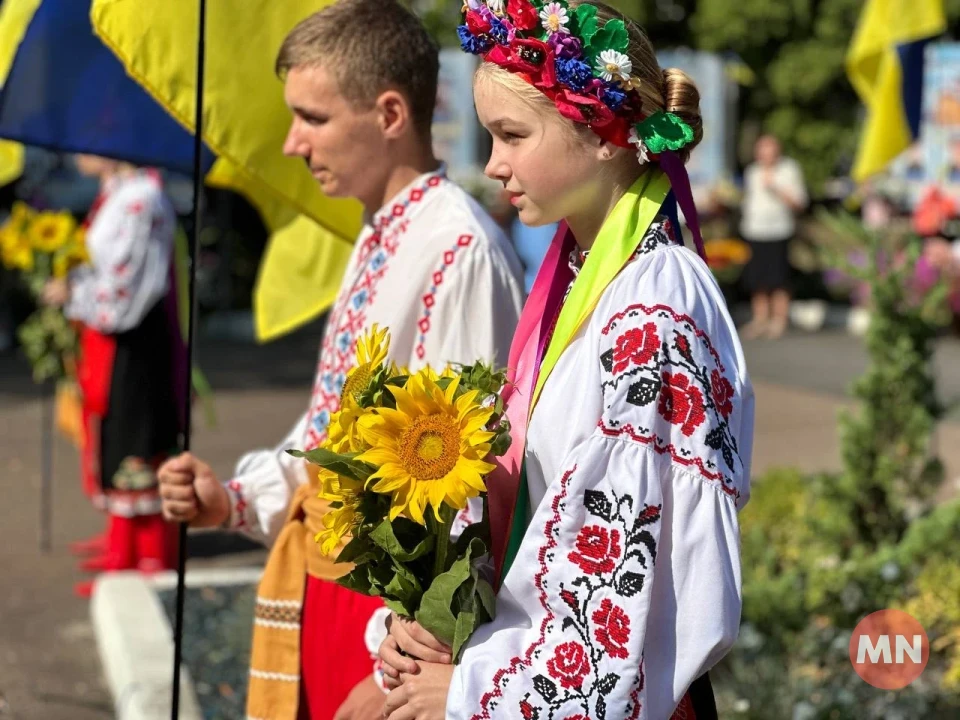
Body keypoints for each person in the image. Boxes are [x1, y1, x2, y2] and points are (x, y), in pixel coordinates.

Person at [378, 2, 754, 718]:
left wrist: (476, 691)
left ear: (605, 133)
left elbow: (626, 570)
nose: (492, 164)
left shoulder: (656, 303)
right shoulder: (582, 282)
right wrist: (434, 616)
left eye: (512, 135)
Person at [156, 2, 526, 719]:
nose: (294, 143)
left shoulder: (459, 250)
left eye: (313, 117)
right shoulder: (382, 233)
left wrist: (402, 667)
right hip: (339, 591)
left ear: (390, 113)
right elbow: (336, 432)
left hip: (388, 622)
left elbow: (475, 493)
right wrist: (231, 500)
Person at [42, 155, 184, 598]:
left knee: (136, 439)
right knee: (115, 434)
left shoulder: (140, 197)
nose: (78, 153)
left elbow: (126, 289)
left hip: (133, 338)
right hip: (116, 336)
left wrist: (74, 293)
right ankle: (123, 542)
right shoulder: (121, 194)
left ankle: (148, 553)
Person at [738, 134, 807, 339]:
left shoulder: (789, 170)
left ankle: (779, 319)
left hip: (778, 230)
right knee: (757, 278)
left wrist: (776, 188)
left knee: (779, 278)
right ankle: (760, 319)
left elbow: (799, 203)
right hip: (754, 230)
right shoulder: (752, 171)